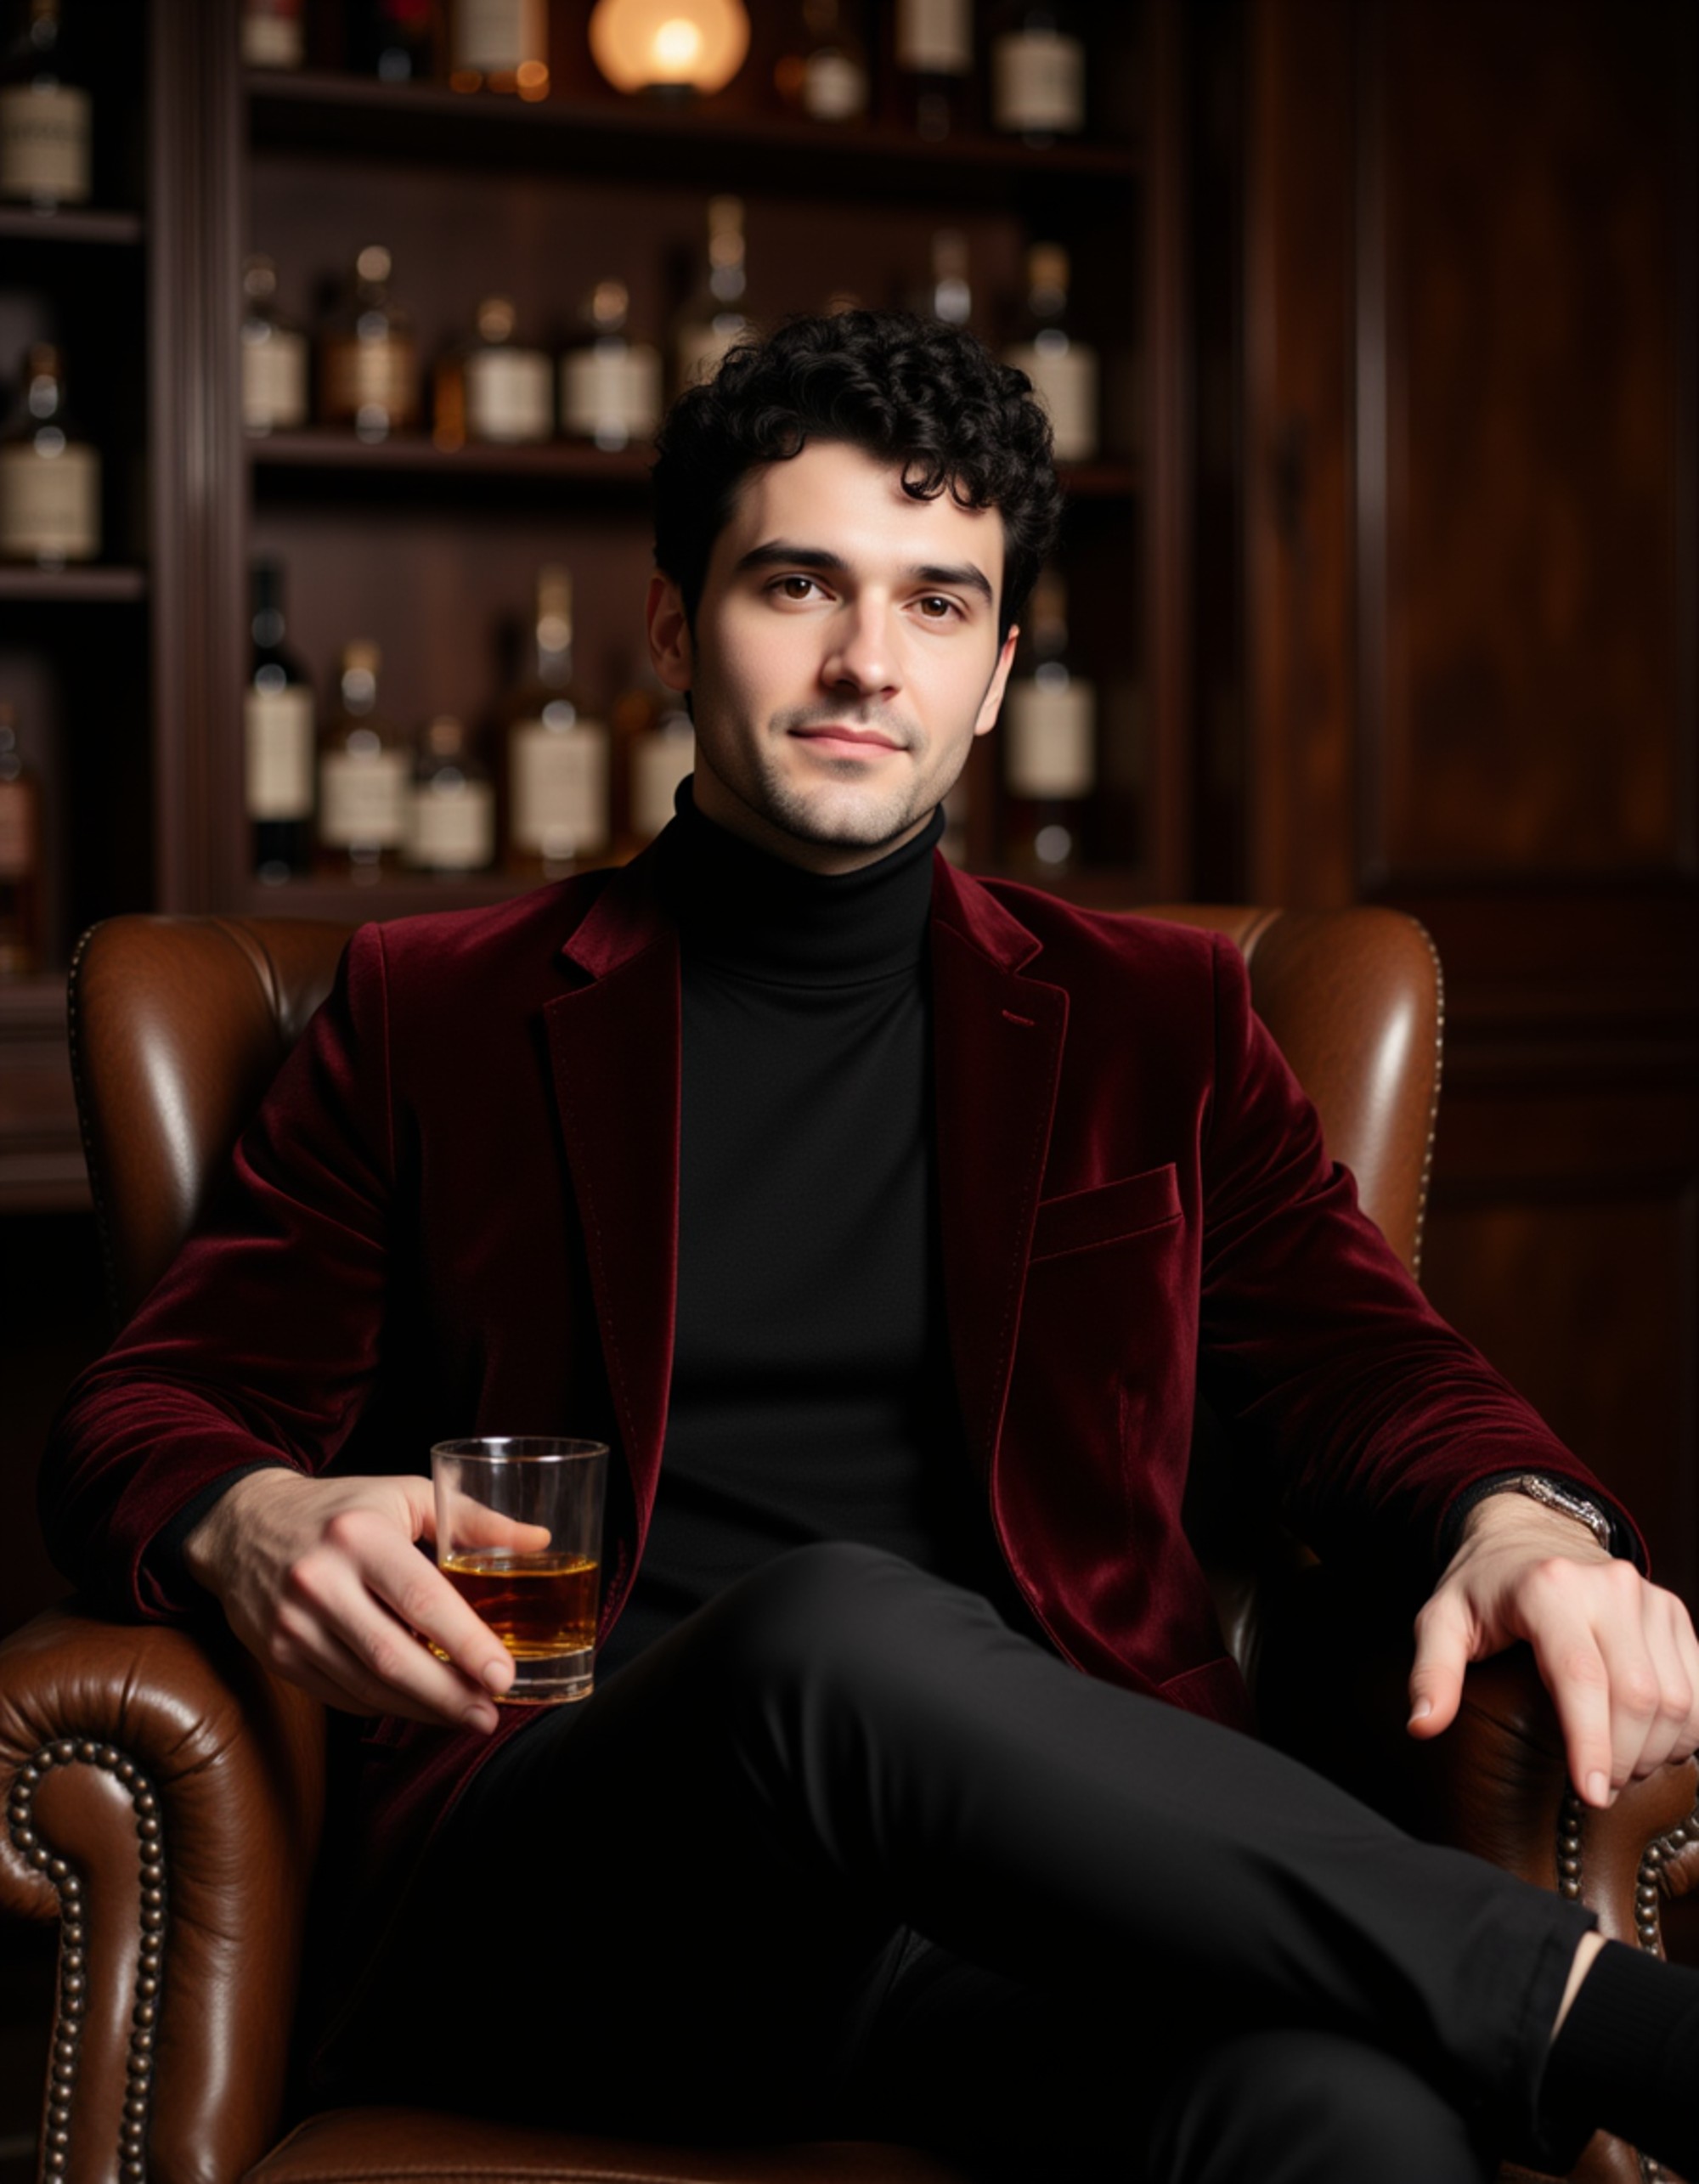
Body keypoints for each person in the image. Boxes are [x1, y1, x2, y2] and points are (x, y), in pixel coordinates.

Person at [42, 311, 1699, 2181]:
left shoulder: (1156, 1021)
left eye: (934, 605)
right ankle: (1623, 2030)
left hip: (1025, 1912)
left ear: (996, 673)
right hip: (582, 1899)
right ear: (674, 627)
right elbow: (146, 1403)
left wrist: (1520, 1516)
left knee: (1355, 2112)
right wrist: (244, 1513)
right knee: (833, 1628)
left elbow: (1363, 1361)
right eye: (797, 583)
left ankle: (1530, 2032)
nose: (862, 660)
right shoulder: (433, 1016)